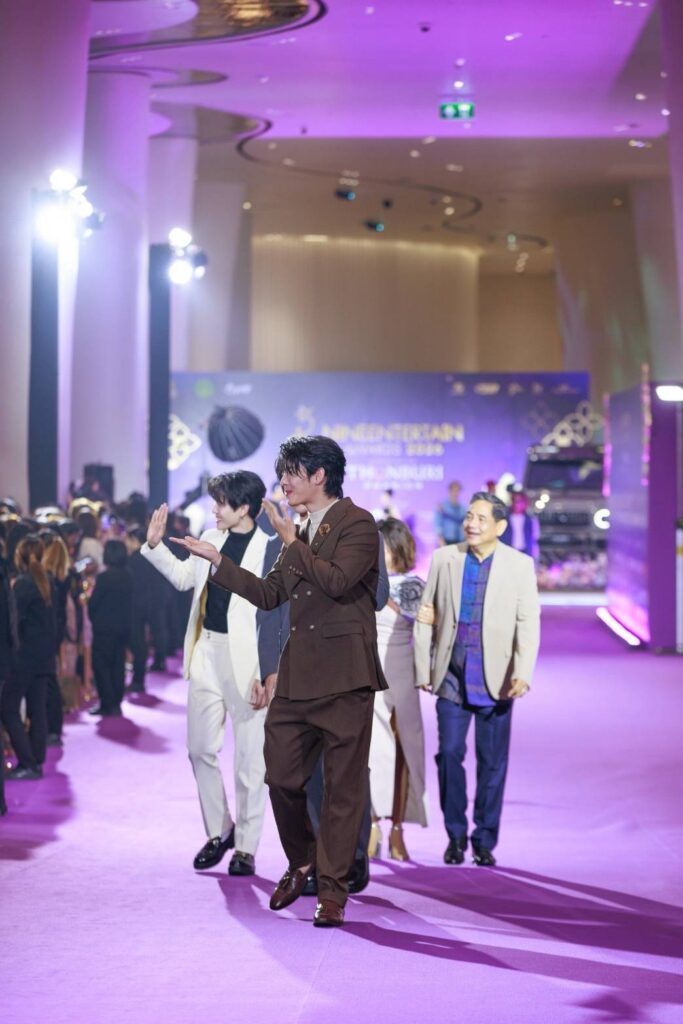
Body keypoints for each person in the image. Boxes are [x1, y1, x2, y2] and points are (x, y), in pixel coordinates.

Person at [171, 435, 387, 928]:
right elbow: (270, 594)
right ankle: (304, 857)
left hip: (346, 676)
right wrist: (218, 562)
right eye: (282, 472)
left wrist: (292, 542)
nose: (283, 482)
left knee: (342, 791)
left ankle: (331, 893)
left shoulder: (358, 523)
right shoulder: (298, 529)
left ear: (320, 475)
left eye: (291, 472)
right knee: (281, 777)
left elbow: (337, 581)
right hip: (296, 677)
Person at [143, 471, 281, 878]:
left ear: (244, 507)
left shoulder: (271, 548)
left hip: (249, 662)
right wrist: (155, 545)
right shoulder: (210, 536)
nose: (215, 509)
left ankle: (246, 847)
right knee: (199, 748)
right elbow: (185, 578)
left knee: (250, 761)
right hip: (206, 650)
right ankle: (221, 830)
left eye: (221, 503)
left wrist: (269, 670)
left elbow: (275, 613)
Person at [414, 492, 540, 867]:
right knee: (449, 755)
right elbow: (426, 614)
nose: (471, 524)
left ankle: (484, 840)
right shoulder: (445, 559)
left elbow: (528, 623)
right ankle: (455, 835)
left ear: (499, 527)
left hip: (497, 680)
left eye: (481, 519)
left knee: (492, 764)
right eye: (469, 516)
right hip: (451, 677)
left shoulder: (519, 565)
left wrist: (523, 672)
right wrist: (423, 667)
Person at [368, 518, 427, 862]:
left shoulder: (413, 585)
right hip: (366, 672)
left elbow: (422, 623)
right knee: (371, 752)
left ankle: (398, 828)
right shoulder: (362, 581)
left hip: (402, 674)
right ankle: (372, 823)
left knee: (403, 750)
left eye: (383, 547)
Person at [1, 536, 57, 780]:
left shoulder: (22, 584)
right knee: (37, 708)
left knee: (8, 709)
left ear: (19, 556)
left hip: (24, 657)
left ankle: (27, 761)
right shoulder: (46, 581)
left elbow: (15, 624)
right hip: (44, 656)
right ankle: (36, 760)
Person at [88, 539, 132, 718]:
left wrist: (94, 620)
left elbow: (93, 603)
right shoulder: (128, 576)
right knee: (118, 664)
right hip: (123, 627)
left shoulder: (104, 577)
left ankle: (106, 703)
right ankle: (116, 703)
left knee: (102, 666)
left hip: (104, 629)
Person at [125, 526, 169, 692]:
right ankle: (156, 663)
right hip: (154, 601)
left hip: (137, 604)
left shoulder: (133, 559)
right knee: (154, 634)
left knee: (138, 643)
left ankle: (138, 680)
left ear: (134, 540)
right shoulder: (153, 555)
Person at [501, 486, 540, 561]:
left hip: (525, 553)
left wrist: (535, 554)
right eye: (514, 500)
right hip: (508, 553)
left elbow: (534, 538)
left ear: (524, 503)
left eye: (519, 501)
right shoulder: (504, 518)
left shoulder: (531, 519)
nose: (516, 504)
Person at [434, 481, 466, 546]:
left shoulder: (463, 508)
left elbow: (465, 524)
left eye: (457, 491)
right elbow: (437, 524)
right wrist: (440, 540)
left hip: (459, 541)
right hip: (445, 541)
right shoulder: (442, 506)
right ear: (449, 491)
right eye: (454, 490)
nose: (456, 493)